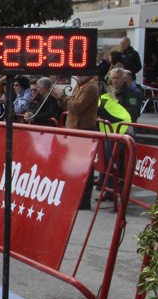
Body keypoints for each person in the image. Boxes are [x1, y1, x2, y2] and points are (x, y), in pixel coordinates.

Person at [54, 74, 100, 209]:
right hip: (76, 128)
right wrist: (60, 98)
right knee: (75, 165)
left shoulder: (90, 87)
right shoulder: (81, 86)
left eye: (81, 73)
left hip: (85, 128)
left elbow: (77, 107)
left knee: (85, 166)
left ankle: (84, 200)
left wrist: (63, 96)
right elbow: (69, 106)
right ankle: (75, 196)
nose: (78, 76)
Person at [96, 68, 138, 201]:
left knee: (113, 157)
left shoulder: (132, 94)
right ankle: (106, 184)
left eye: (117, 78)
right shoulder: (107, 95)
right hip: (108, 133)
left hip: (124, 134)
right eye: (113, 78)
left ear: (124, 79)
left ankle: (112, 186)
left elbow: (132, 114)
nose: (115, 81)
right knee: (104, 155)